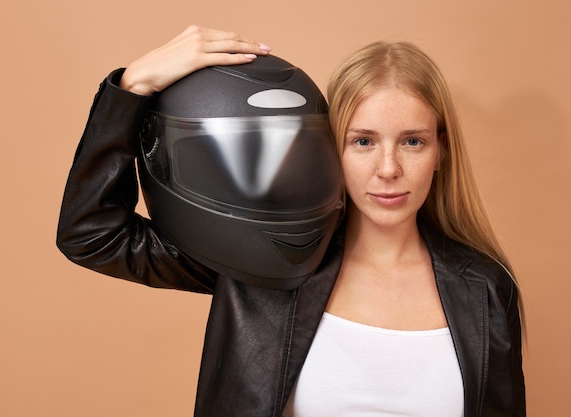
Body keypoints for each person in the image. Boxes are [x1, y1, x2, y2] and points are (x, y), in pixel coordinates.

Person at [57, 25, 525, 417]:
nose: (388, 169)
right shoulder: (265, 265)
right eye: (362, 141)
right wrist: (132, 86)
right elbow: (92, 234)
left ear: (441, 150)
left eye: (413, 142)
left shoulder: (485, 289)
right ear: (326, 147)